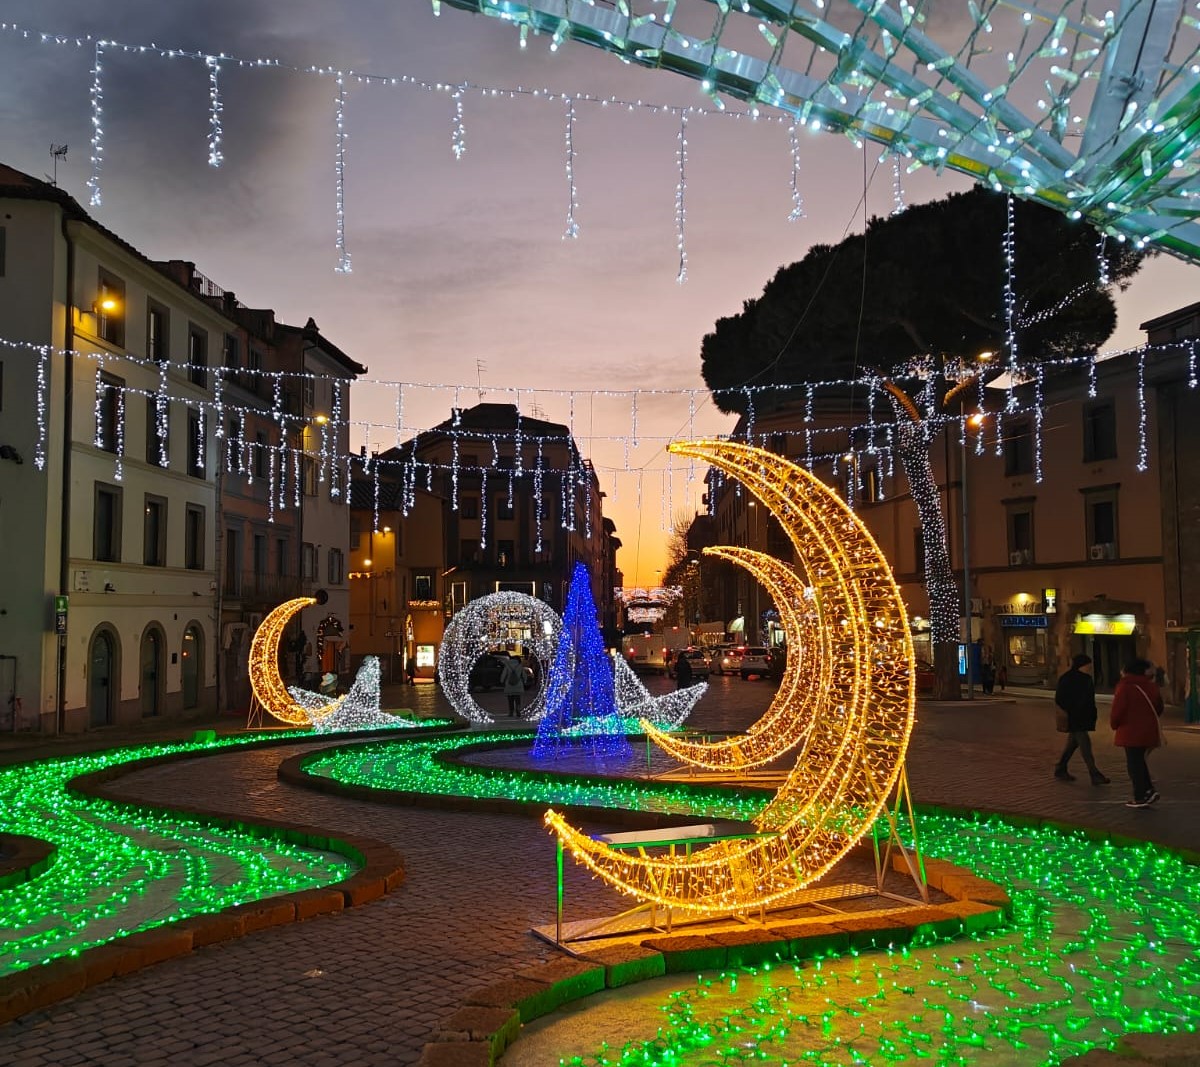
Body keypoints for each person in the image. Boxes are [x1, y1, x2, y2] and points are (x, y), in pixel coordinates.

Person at [1110, 657, 1165, 808]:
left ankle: (1141, 795)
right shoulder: (1151, 686)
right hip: (1148, 730)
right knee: (1140, 761)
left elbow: (1118, 710)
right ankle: (1148, 791)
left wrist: (1114, 724)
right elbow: (1159, 707)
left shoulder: (1125, 686)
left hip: (1130, 731)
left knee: (1134, 764)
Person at [1053, 653, 1110, 785]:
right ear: (1081, 665)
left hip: (1083, 716)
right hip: (1075, 717)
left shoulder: (1085, 679)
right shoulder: (1070, 679)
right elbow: (1060, 698)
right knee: (1085, 744)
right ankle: (1094, 773)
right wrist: (1072, 708)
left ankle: (1061, 767)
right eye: (1088, 666)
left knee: (1072, 744)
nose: (1089, 668)